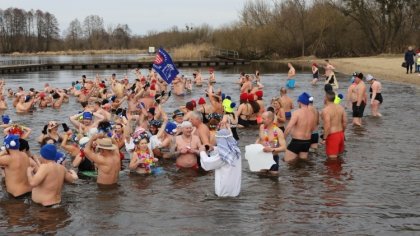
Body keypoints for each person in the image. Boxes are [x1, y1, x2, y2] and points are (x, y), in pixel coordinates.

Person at [200, 129, 241, 197]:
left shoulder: (223, 156)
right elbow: (224, 148)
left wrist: (202, 152)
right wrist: (213, 148)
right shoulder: (236, 150)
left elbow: (207, 163)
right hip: (234, 189)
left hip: (224, 190)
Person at [284, 92, 315, 163]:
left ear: (300, 102)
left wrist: (283, 138)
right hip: (307, 142)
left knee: (287, 162)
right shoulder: (312, 114)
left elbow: (288, 127)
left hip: (296, 142)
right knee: (302, 163)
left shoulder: (297, 112)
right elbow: (313, 128)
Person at [321, 91, 347, 159]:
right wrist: (342, 133)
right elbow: (345, 122)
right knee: (339, 157)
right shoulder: (341, 108)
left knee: (332, 160)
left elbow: (327, 126)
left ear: (326, 98)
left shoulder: (326, 110)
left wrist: (324, 138)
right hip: (341, 134)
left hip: (332, 136)